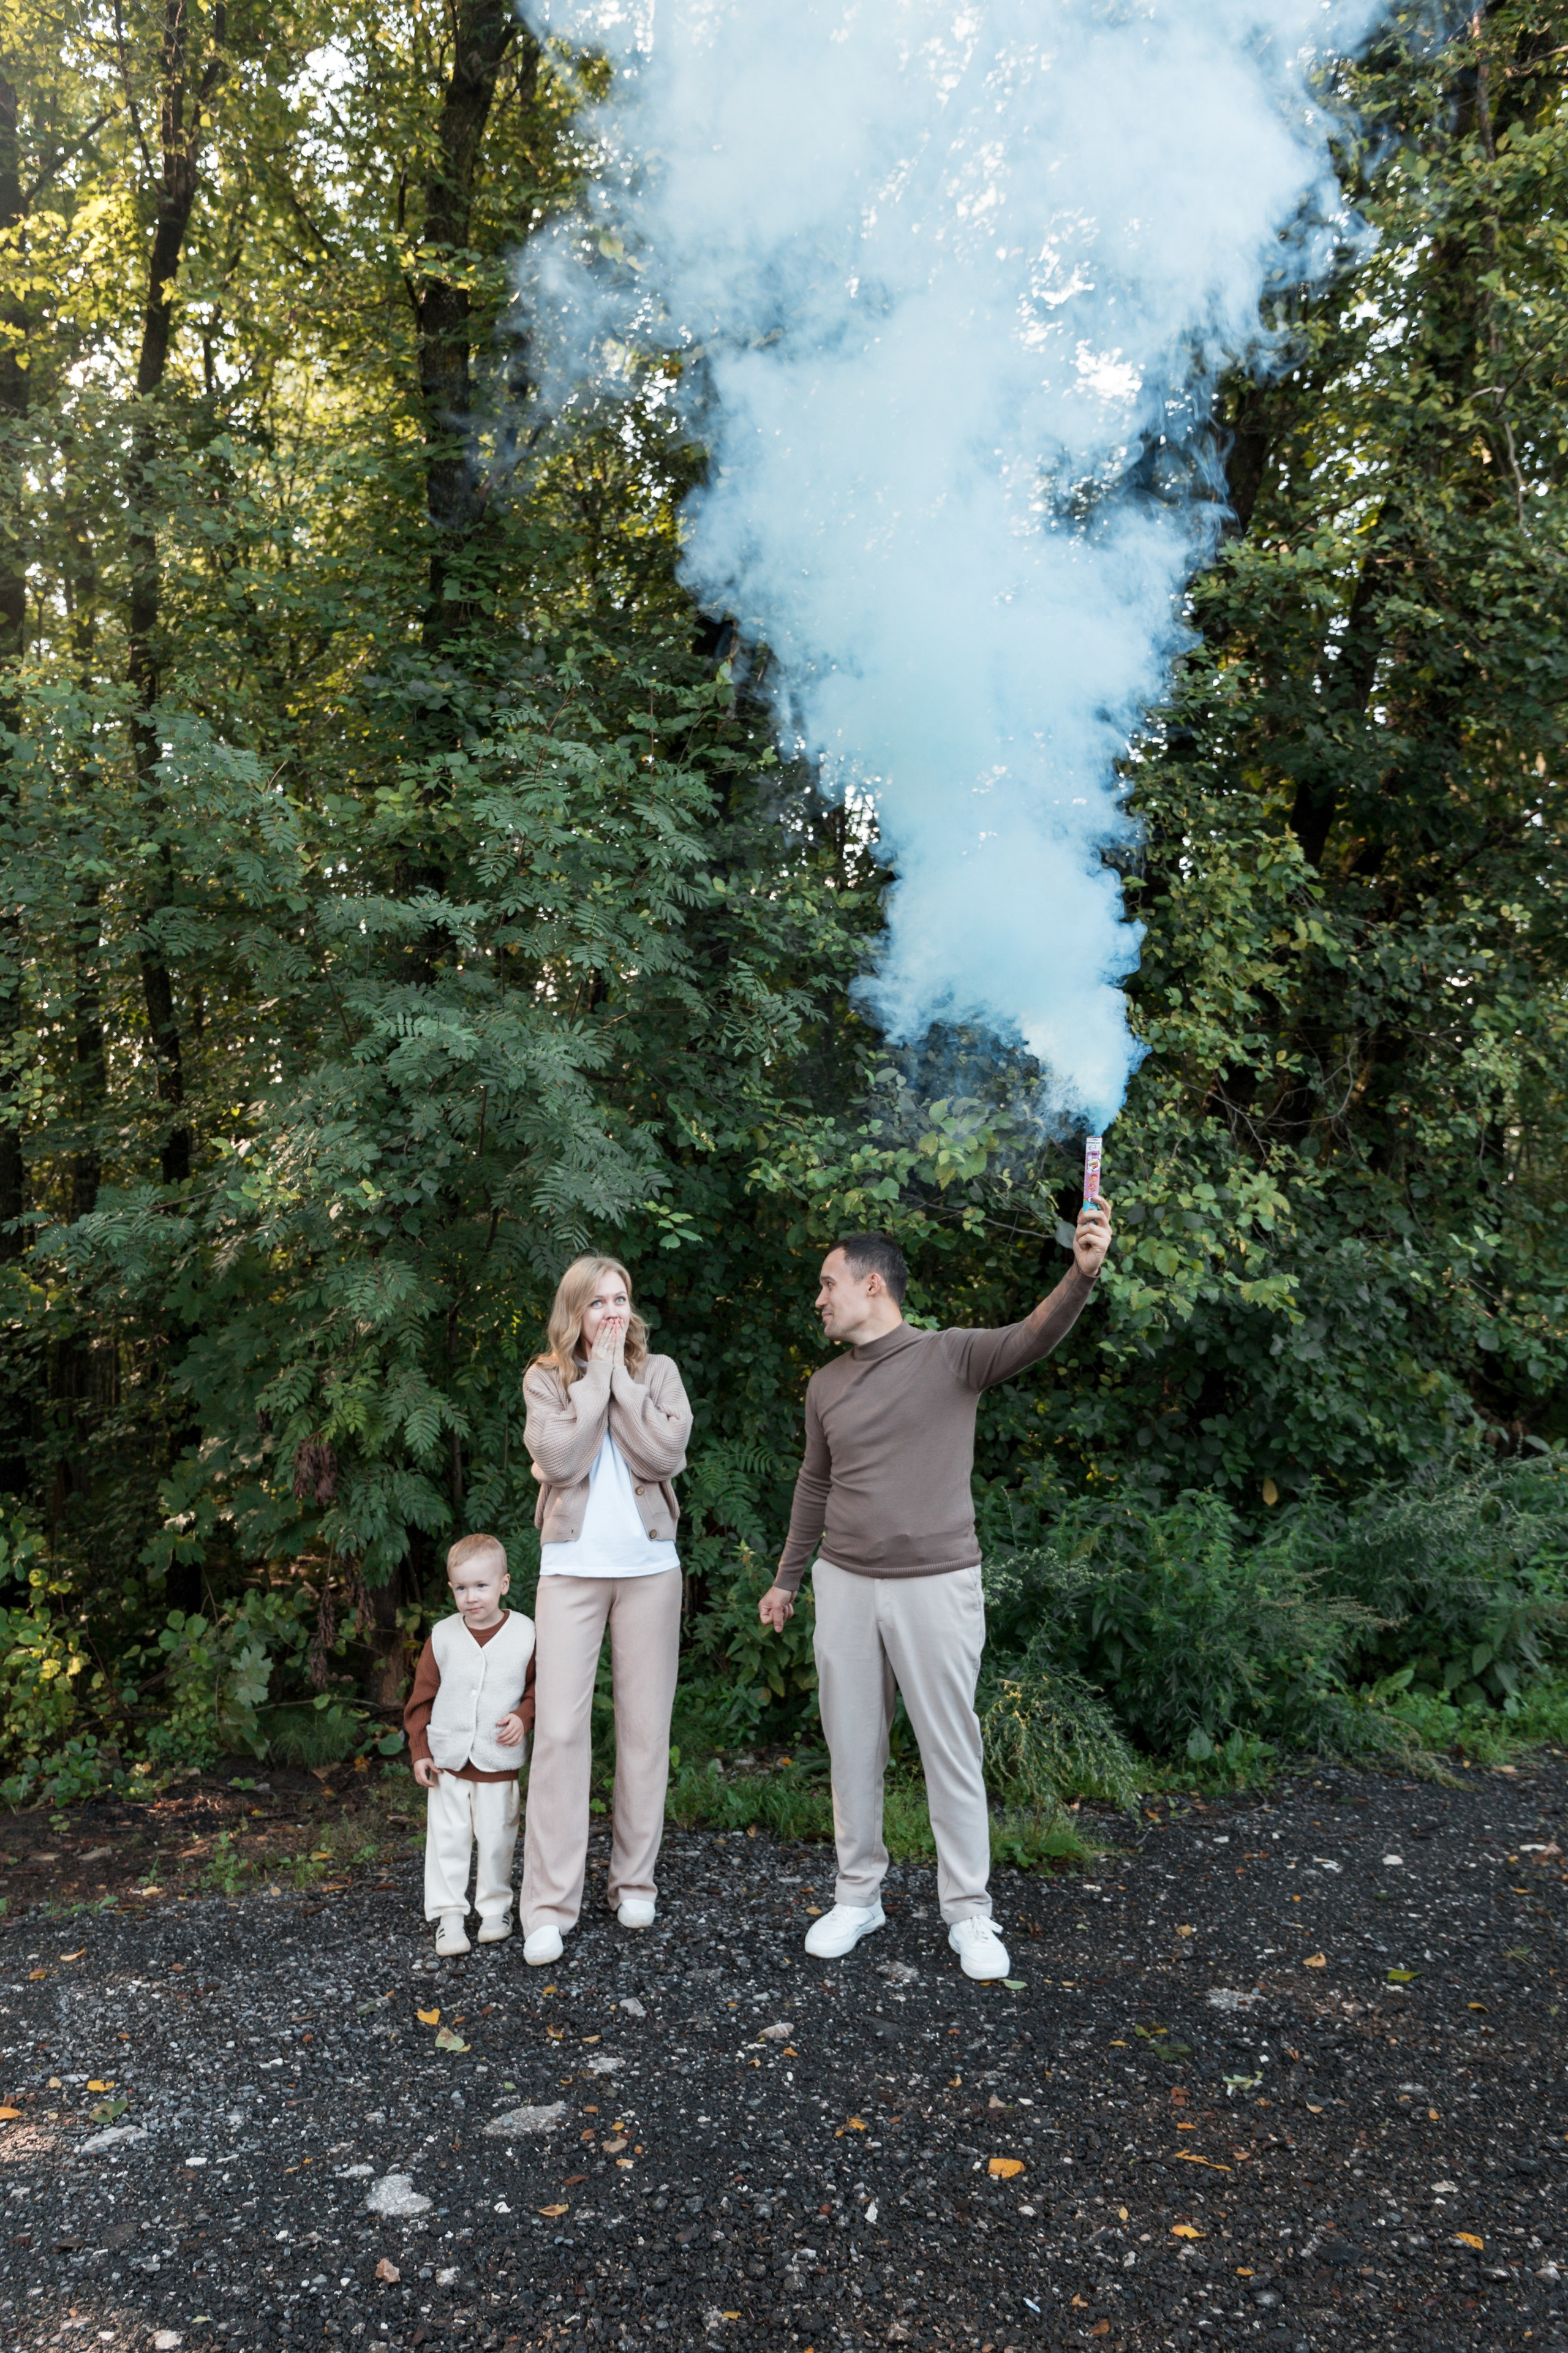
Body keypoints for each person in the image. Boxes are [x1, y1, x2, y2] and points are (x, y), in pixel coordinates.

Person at [758, 1203, 1113, 1981]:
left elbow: (1032, 1335)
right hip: (844, 1584)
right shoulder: (824, 1386)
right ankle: (859, 1896)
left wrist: (1081, 1273)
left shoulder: (951, 1357)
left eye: (827, 1283)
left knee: (950, 1747)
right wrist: (788, 1578)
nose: (817, 1299)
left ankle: (970, 1913)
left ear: (872, 1284)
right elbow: (813, 1483)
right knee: (852, 1746)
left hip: (937, 1584)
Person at [518, 1255, 693, 1967]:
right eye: (598, 1303)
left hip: (651, 1571)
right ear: (576, 1312)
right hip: (570, 1574)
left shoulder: (659, 1373)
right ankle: (549, 1906)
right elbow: (559, 1460)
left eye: (621, 1300)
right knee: (559, 1734)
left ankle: (634, 1881)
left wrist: (622, 1378)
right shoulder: (545, 1378)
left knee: (645, 1733)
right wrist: (596, 1379)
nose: (612, 1313)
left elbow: (664, 1452)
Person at [405, 1532, 537, 1957]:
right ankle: (449, 1917)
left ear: (504, 1583)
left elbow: (540, 1688)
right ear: (451, 1590)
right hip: (447, 1761)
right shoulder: (442, 1636)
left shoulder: (526, 1633)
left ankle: (496, 1909)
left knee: (498, 1837)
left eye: (481, 1586)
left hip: (498, 1760)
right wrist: (420, 1750)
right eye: (461, 1588)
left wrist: (523, 1717)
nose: (471, 1596)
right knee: (448, 1837)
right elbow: (422, 1698)